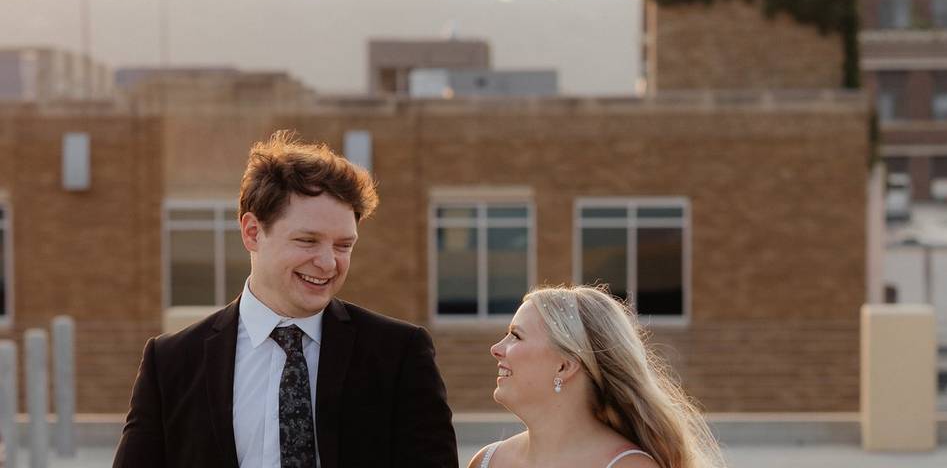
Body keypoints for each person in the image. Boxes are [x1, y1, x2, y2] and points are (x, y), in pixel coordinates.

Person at [114, 130, 458, 468]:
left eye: (343, 245)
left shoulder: (399, 354)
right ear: (252, 232)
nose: (328, 262)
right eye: (308, 241)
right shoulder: (172, 362)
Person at [469, 286, 725, 468]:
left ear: (565, 366)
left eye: (516, 336)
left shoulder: (628, 466)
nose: (496, 349)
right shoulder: (487, 461)